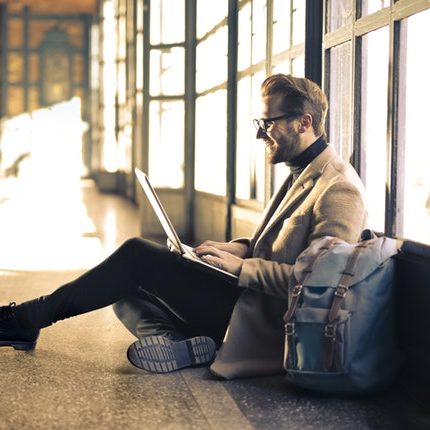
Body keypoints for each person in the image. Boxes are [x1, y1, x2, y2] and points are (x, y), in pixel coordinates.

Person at [0, 74, 367, 379]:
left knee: (136, 256)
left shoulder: (339, 188)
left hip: (263, 322)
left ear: (304, 122)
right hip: (241, 299)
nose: (261, 134)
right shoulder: (301, 171)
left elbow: (321, 284)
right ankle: (181, 345)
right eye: (261, 123)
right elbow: (273, 243)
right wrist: (233, 249)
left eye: (268, 123)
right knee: (123, 289)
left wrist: (240, 268)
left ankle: (26, 318)